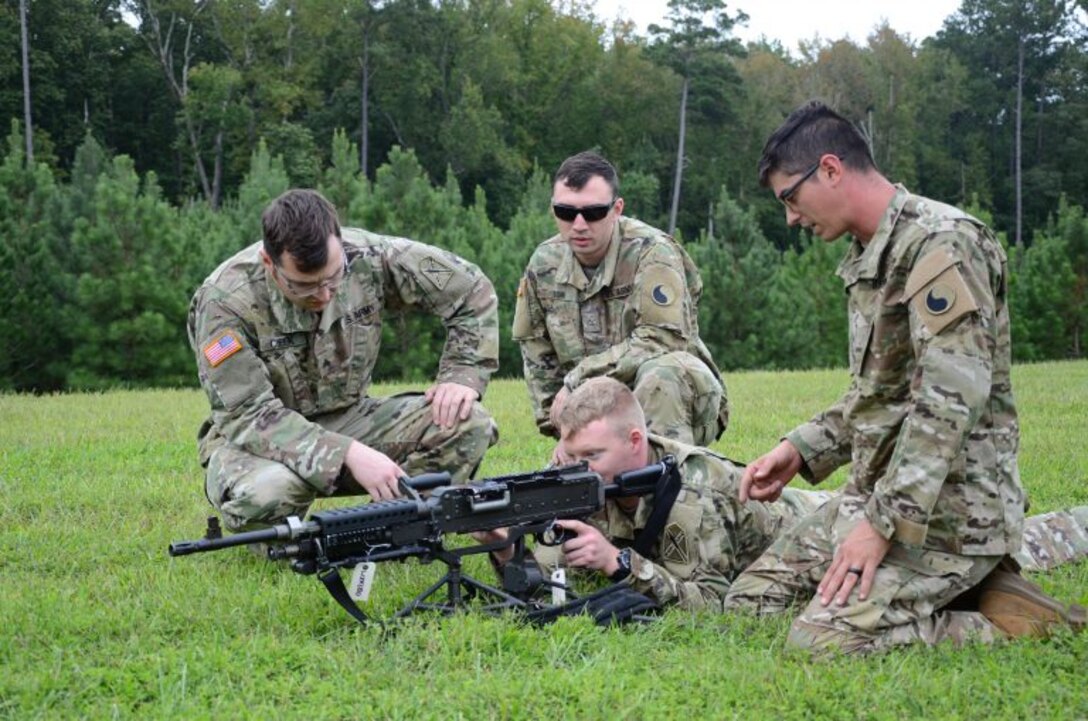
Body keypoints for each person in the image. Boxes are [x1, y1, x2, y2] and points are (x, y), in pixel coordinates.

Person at [721, 100, 1084, 653]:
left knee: (821, 642)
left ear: (831, 169)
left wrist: (880, 528)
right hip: (874, 497)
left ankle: (1013, 622)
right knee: (750, 602)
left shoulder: (943, 244)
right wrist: (797, 450)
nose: (790, 217)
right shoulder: (871, 255)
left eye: (790, 198)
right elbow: (878, 397)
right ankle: (963, 594)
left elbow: (949, 402)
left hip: (949, 517)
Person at [478, 378, 1088, 614]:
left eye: (589, 459)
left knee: (1023, 541)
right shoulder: (584, 472)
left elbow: (711, 605)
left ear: (636, 441)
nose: (575, 470)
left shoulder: (690, 494)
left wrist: (621, 565)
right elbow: (552, 567)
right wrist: (506, 548)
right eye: (569, 456)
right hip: (791, 544)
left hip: (818, 532)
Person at [187, 189, 499, 535]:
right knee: (267, 492)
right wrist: (346, 454)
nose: (323, 295)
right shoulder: (225, 302)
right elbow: (248, 415)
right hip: (260, 442)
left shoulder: (369, 255)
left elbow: (471, 289)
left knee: (467, 423)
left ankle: (390, 531)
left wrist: (462, 373)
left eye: (334, 278)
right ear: (268, 263)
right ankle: (283, 541)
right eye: (304, 286)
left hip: (351, 417)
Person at [512, 151, 728, 449]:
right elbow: (537, 353)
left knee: (662, 372)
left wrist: (579, 379)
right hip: (596, 412)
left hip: (676, 397)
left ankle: (668, 480)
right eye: (565, 212)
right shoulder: (544, 264)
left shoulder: (652, 252)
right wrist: (562, 433)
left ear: (617, 209)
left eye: (593, 213)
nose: (578, 224)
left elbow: (662, 339)